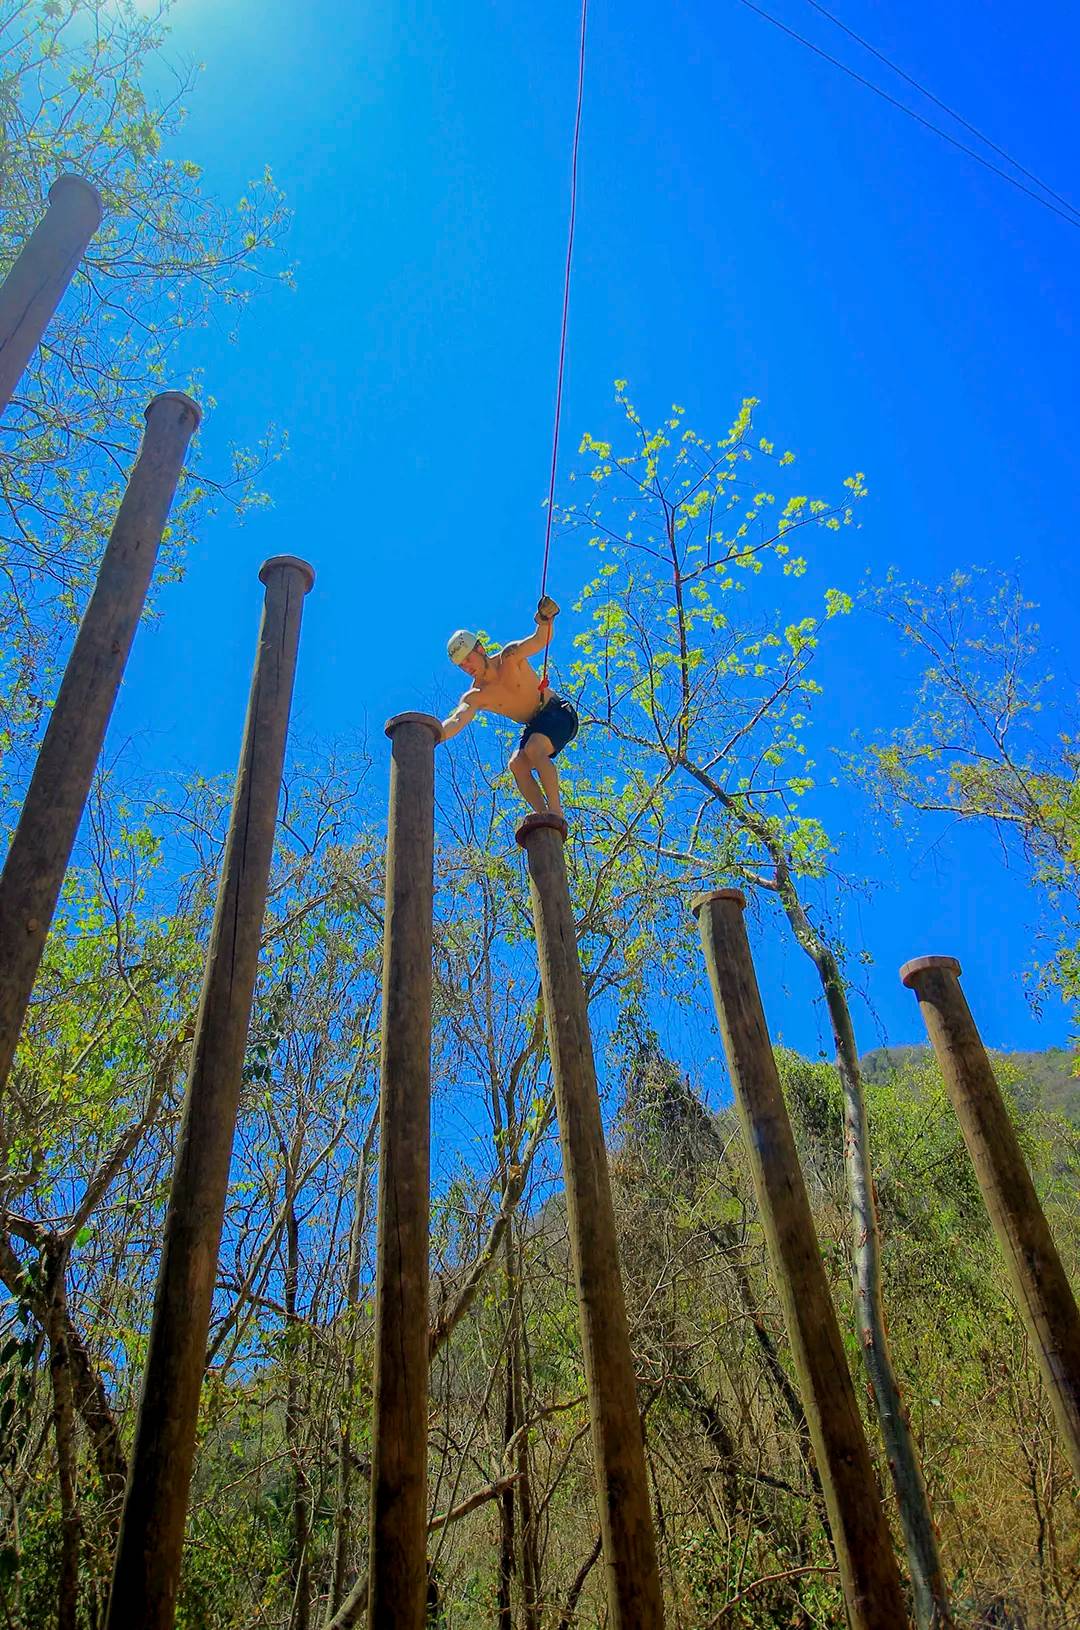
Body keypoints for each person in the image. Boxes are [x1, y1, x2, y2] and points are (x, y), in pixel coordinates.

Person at [440, 595, 578, 821]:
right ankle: (545, 821)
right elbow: (456, 720)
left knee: (534, 748)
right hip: (535, 725)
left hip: (558, 712)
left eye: (468, 659)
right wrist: (433, 735)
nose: (467, 667)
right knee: (517, 764)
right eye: (461, 665)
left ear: (481, 649)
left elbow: (539, 640)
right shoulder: (476, 696)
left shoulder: (509, 657)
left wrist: (545, 619)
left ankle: (556, 812)